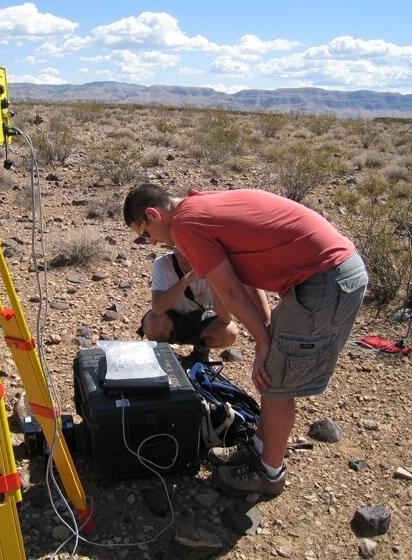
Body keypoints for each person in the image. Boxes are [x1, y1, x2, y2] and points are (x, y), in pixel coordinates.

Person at [123, 184, 367, 497]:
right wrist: (266, 330)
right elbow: (245, 280)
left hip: (325, 278)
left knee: (276, 381)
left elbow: (231, 292)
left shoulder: (185, 224)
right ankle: (259, 449)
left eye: (146, 233)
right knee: (273, 369)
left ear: (153, 214)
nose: (153, 242)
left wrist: (263, 342)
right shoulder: (200, 204)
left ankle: (269, 474)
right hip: (326, 272)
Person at [138, 247, 239, 366]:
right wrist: (186, 280)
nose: (179, 252)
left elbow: (226, 318)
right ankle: (164, 357)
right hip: (170, 319)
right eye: (176, 246)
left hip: (198, 319)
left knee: (229, 332)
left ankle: (199, 354)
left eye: (185, 247)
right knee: (153, 322)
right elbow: (157, 308)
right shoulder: (163, 263)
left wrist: (214, 281)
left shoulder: (211, 267)